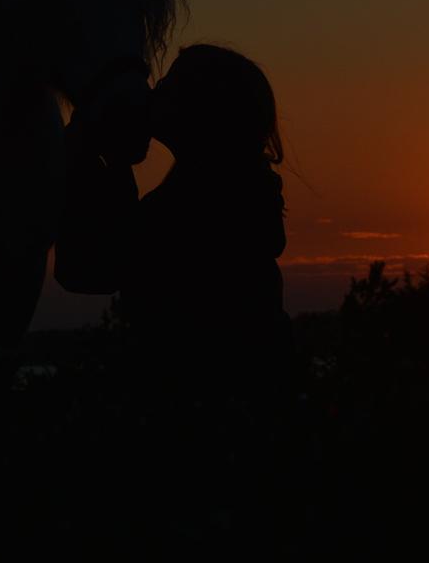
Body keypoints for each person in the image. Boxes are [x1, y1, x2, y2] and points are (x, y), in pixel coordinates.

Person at [56, 43, 293, 546]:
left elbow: (88, 268)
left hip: (192, 442)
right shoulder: (232, 195)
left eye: (171, 84)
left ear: (201, 114)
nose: (154, 90)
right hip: (242, 434)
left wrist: (82, 154)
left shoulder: (195, 207)